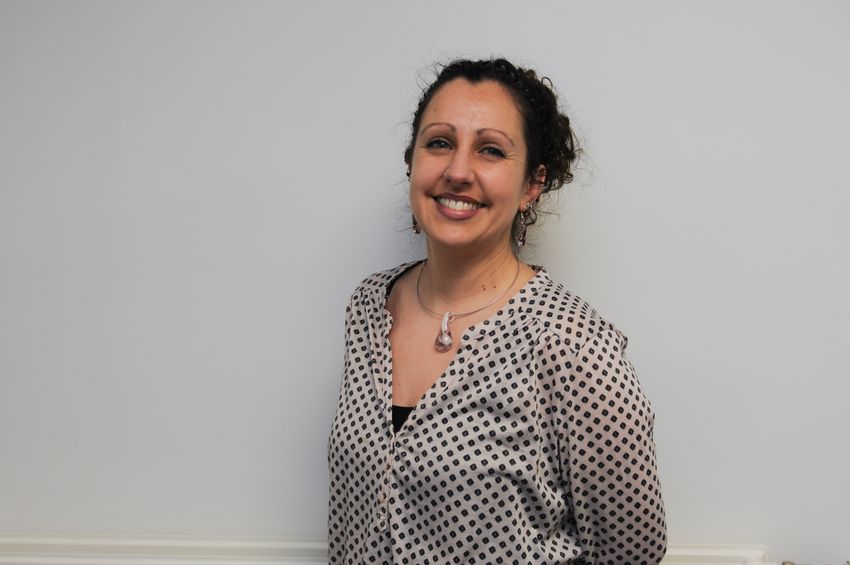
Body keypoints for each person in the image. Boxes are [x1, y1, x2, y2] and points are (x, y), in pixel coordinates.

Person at [328, 58, 666, 564]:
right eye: (439, 143)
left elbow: (632, 550)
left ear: (532, 184)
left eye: (490, 150)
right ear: (411, 162)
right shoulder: (369, 308)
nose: (457, 171)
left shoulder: (572, 344)